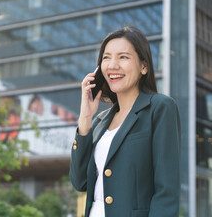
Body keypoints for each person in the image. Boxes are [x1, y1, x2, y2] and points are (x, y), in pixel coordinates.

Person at [69, 26, 181, 217]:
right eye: (106, 58)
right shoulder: (99, 121)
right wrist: (85, 118)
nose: (113, 65)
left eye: (123, 57)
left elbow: (166, 193)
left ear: (143, 66)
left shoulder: (160, 108)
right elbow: (80, 182)